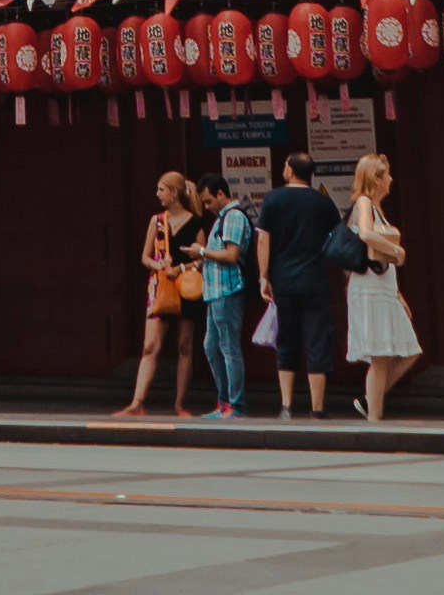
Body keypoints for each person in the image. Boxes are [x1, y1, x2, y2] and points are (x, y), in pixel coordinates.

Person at [254, 149, 342, 419]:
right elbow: (337, 240)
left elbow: (263, 239)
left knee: (287, 340)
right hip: (315, 280)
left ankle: (286, 405)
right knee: (318, 342)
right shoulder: (323, 203)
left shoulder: (273, 199)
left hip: (283, 280)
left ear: (290, 170)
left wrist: (263, 276)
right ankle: (317, 408)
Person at [343, 155, 420, 418]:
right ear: (376, 179)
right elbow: (366, 233)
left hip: (383, 287)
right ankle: (374, 416)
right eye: (386, 174)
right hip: (370, 288)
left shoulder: (376, 208)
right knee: (380, 355)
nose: (390, 179)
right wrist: (397, 250)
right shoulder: (364, 203)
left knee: (404, 351)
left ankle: (370, 403)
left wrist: (398, 295)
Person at [118, 172, 200, 417]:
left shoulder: (195, 223)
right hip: (160, 287)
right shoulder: (157, 221)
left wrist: (181, 268)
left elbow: (203, 258)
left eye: (162, 189)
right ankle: (137, 402)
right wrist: (158, 265)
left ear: (174, 193)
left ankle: (179, 403)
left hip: (186, 287)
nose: (158, 194)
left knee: (184, 345)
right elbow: (145, 257)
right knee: (150, 345)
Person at [190, 176, 253, 418]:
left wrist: (202, 251)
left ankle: (235, 404)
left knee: (228, 348)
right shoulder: (221, 218)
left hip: (228, 290)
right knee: (211, 346)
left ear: (220, 194)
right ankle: (225, 401)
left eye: (208, 201)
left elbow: (231, 255)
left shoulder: (233, 216)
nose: (206, 207)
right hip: (215, 292)